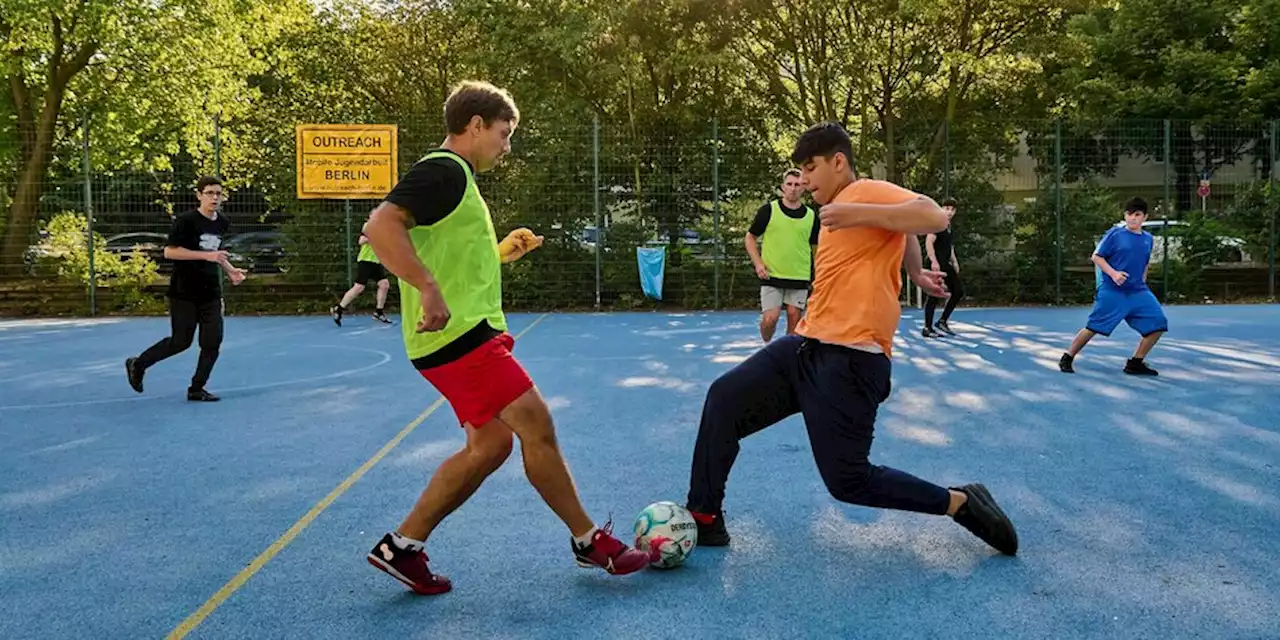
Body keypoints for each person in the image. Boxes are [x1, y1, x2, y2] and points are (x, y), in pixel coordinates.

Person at [360, 80, 652, 596]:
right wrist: (426, 288)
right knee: (536, 422)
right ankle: (588, 540)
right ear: (474, 126)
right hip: (459, 338)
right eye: (503, 133)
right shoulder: (444, 170)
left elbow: (449, 256)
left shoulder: (456, 179)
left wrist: (499, 254)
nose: (506, 145)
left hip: (456, 337)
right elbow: (381, 225)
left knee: (490, 445)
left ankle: (402, 548)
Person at [684, 122, 1018, 557]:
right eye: (798, 172)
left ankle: (960, 503)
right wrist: (914, 270)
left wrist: (859, 214)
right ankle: (704, 516)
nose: (803, 180)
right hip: (805, 345)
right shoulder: (836, 207)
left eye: (810, 168)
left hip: (852, 361)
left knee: (848, 481)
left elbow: (931, 215)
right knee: (723, 398)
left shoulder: (863, 194)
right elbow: (904, 231)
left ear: (838, 162)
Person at [125, 176, 246, 402]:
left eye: (218, 193)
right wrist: (205, 256)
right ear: (199, 195)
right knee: (181, 342)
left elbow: (215, 253)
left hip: (210, 292)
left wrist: (230, 270)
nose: (215, 197)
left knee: (212, 342)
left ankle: (196, 388)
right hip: (184, 292)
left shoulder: (222, 222)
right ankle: (138, 364)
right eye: (209, 193)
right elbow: (170, 252)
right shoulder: (186, 221)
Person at [1058, 197, 1166, 375]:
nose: (1132, 218)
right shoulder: (1115, 234)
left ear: (1145, 217)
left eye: (1137, 214)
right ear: (1125, 215)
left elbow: (1145, 262)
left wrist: (1142, 282)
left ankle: (1135, 363)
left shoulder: (1148, 239)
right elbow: (1097, 256)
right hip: (1112, 290)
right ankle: (1068, 356)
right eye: (1129, 214)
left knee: (1159, 324)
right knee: (1094, 326)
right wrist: (1114, 274)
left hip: (1138, 291)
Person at [745, 169, 820, 341]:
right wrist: (758, 264)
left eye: (797, 184)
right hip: (771, 274)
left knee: (795, 318)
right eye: (789, 184)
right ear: (782, 187)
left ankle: (787, 359)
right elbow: (750, 237)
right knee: (770, 319)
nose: (793, 188)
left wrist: (819, 273)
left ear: (803, 188)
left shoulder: (811, 216)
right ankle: (766, 346)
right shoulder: (769, 210)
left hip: (799, 275)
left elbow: (816, 247)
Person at [331, 230, 392, 325]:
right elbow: (361, 241)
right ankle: (338, 309)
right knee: (359, 287)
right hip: (365, 261)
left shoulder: (385, 228)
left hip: (376, 262)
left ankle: (378, 312)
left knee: (384, 285)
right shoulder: (369, 227)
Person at [922, 197, 963, 337]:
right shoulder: (937, 224)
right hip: (936, 264)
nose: (949, 212)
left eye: (952, 209)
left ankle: (942, 321)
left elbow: (949, 246)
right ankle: (927, 328)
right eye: (947, 208)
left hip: (946, 264)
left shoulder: (948, 226)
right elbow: (929, 242)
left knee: (958, 291)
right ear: (941, 208)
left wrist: (955, 261)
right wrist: (933, 262)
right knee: (933, 294)